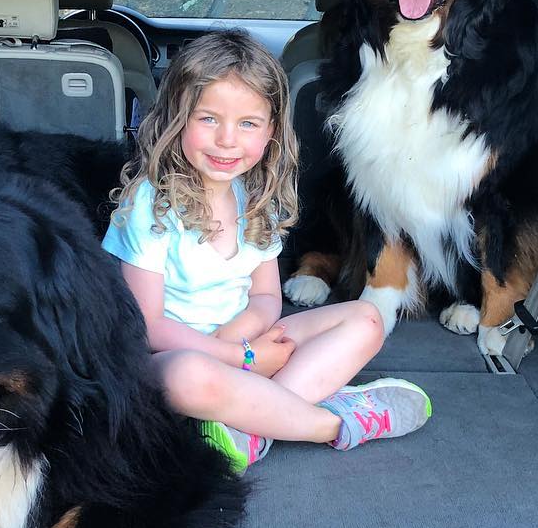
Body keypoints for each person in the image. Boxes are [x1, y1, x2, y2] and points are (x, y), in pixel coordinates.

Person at [102, 29, 431, 473]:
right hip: (170, 361)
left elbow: (266, 298)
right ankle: (333, 423)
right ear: (174, 119)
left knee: (367, 320)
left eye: (248, 124)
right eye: (208, 119)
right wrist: (240, 357)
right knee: (188, 377)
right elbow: (148, 328)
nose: (227, 140)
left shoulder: (256, 199)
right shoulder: (150, 204)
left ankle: (249, 426)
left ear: (271, 131)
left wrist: (246, 337)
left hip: (245, 348)